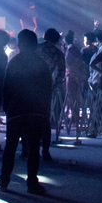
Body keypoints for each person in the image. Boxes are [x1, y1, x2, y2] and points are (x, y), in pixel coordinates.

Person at [0, 29, 51, 195]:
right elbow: (47, 89)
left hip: (16, 111)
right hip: (35, 111)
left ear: (20, 44)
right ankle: (32, 183)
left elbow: (7, 87)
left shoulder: (14, 62)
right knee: (34, 148)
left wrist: (6, 107)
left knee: (11, 147)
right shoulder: (41, 63)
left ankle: (4, 180)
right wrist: (44, 110)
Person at [39, 29, 66, 158]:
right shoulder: (58, 53)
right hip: (46, 84)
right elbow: (61, 71)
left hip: (31, 82)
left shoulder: (37, 49)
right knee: (45, 117)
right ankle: (45, 150)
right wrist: (56, 83)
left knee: (30, 115)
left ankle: (27, 148)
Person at [64, 30, 90, 141]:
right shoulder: (74, 49)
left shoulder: (71, 49)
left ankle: (75, 118)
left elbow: (69, 64)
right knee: (74, 97)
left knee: (72, 97)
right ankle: (75, 117)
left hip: (72, 76)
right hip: (75, 75)